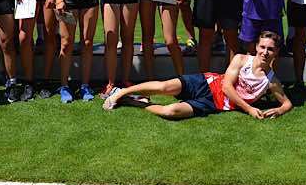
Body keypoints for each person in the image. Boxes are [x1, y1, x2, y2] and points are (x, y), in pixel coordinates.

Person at [102, 32, 292, 121]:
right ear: (256, 47)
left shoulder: (271, 81)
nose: (265, 52)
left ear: (276, 52)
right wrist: (249, 109)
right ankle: (120, 92)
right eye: (263, 47)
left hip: (214, 104)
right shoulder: (242, 59)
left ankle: (134, 102)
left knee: (171, 112)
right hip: (207, 84)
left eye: (270, 49)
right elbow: (226, 87)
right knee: (164, 88)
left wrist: (279, 111)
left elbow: (286, 103)